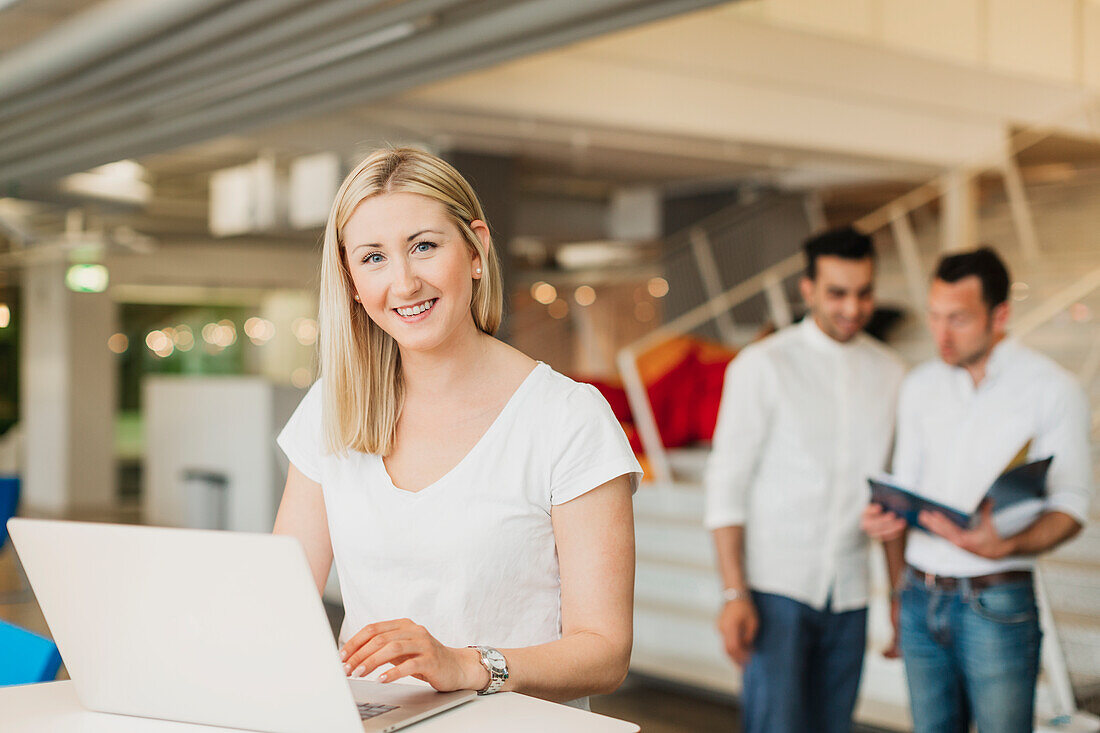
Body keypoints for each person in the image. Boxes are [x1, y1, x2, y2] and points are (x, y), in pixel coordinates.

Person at [273, 147, 641, 707]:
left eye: (423, 246)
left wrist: (462, 664)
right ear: (349, 279)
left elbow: (604, 652)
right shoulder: (333, 407)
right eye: (372, 258)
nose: (403, 283)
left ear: (476, 249)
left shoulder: (568, 417)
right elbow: (281, 599)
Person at [863, 247, 1092, 733]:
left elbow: (1071, 507)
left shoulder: (1052, 388)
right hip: (919, 597)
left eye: (959, 319)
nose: (941, 335)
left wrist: (1005, 545)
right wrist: (889, 545)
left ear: (1000, 314)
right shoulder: (920, 384)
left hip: (997, 603)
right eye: (935, 317)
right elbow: (904, 488)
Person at [704, 226, 906, 733]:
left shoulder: (892, 371)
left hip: (851, 591)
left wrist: (899, 594)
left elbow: (891, 495)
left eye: (864, 293)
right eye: (837, 293)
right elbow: (726, 486)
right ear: (808, 288)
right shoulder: (763, 365)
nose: (852, 308)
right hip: (775, 589)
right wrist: (734, 595)